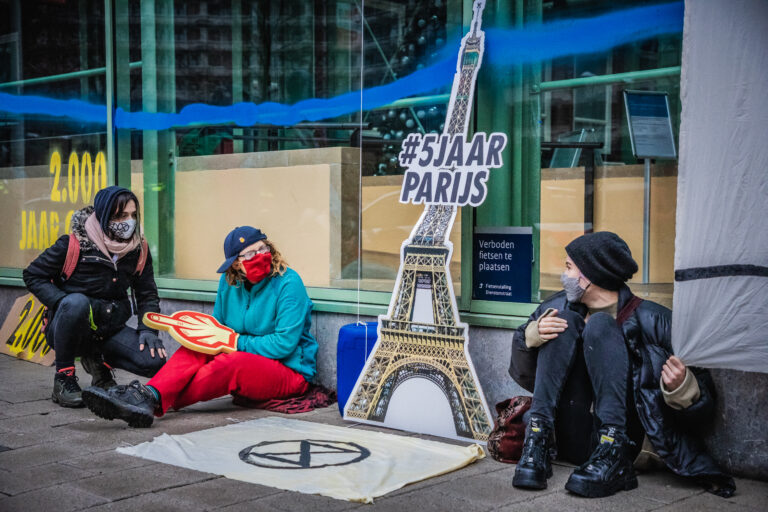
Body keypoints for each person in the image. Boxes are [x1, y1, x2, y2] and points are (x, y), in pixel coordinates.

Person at [509, 231, 734, 498]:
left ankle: (611, 450)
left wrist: (683, 390)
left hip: (625, 442)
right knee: (564, 324)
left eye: (569, 267)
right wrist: (529, 337)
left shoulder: (655, 321)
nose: (564, 275)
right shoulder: (557, 307)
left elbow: (705, 410)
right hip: (568, 435)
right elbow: (524, 375)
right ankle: (538, 441)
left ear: (589, 276)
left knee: (602, 326)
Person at [81, 226, 318, 428]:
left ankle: (148, 398)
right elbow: (216, 329)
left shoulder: (289, 283)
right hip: (246, 360)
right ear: (235, 265)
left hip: (290, 372)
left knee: (230, 363)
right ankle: (148, 396)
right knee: (198, 347)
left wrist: (232, 341)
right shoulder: (229, 283)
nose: (259, 256)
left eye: (262, 249)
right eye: (249, 254)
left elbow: (284, 345)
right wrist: (209, 338)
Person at [23, 186, 166, 408]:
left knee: (154, 360)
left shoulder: (139, 249)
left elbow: (147, 292)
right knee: (75, 302)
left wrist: (148, 329)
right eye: (121, 215)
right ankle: (64, 379)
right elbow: (33, 274)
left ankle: (100, 368)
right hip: (69, 327)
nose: (129, 221)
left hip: (108, 328)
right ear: (104, 214)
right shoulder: (73, 244)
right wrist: (61, 304)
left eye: (133, 215)